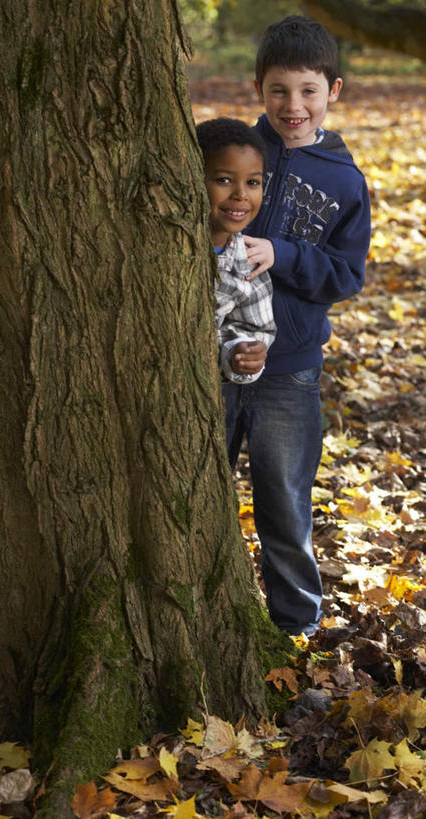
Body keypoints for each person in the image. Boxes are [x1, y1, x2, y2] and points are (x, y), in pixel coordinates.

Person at [224, 15, 371, 636]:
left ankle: (295, 628)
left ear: (332, 90)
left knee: (285, 505)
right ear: (258, 87)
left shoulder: (344, 180)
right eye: (279, 90)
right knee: (194, 491)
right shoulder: (234, 154)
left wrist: (282, 254)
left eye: (308, 91)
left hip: (290, 371)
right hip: (215, 358)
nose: (293, 106)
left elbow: (346, 274)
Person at [195, 117, 276, 387]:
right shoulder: (158, 243)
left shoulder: (249, 265)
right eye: (224, 180)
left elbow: (257, 330)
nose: (241, 194)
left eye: (253, 182)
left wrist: (239, 351)